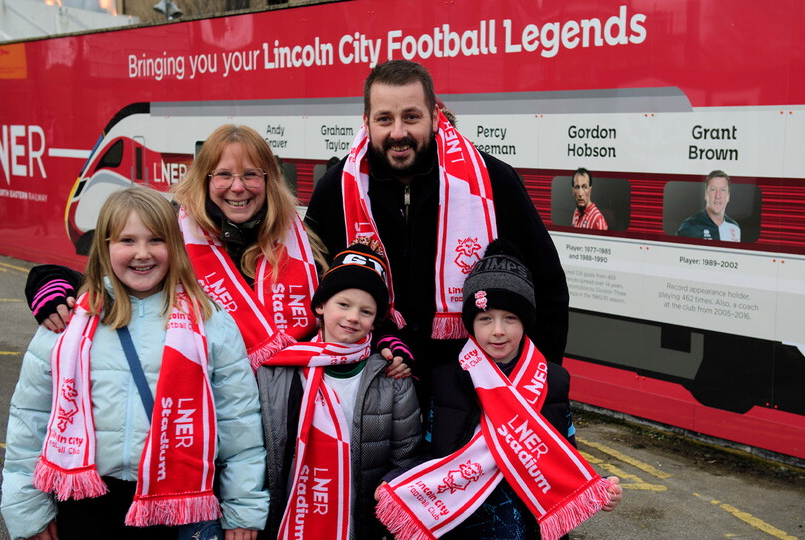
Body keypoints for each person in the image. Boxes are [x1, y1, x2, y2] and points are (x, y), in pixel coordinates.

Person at [26, 124, 410, 377]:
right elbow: (119, 282)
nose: (237, 187)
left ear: (268, 180)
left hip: (294, 414)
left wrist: (383, 338)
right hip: (203, 411)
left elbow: (345, 302)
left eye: (250, 175)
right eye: (224, 174)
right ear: (205, 179)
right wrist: (52, 281)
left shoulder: (306, 242)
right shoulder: (173, 237)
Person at [303, 60, 570, 412]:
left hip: (476, 393)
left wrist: (539, 381)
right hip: (370, 392)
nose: (398, 132)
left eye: (411, 117)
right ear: (366, 121)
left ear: (434, 114)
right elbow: (311, 290)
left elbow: (547, 285)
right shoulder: (335, 189)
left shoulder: (493, 182)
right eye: (385, 119)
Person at [1, 187, 268, 540]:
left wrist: (243, 510)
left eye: (156, 240)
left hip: (180, 505)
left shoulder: (211, 322)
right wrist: (27, 511)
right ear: (105, 247)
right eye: (127, 240)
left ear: (175, 246)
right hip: (85, 501)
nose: (142, 254)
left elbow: (239, 423)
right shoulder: (67, 323)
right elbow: (29, 421)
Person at [376, 239, 622, 540]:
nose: (498, 331)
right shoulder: (446, 379)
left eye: (510, 318)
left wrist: (596, 485)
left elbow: (565, 452)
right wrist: (395, 481)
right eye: (485, 319)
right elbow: (429, 452)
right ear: (470, 323)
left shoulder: (553, 379)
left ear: (526, 321)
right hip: (463, 520)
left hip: (531, 522)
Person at [255, 240, 424, 539]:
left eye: (366, 311)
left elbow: (406, 456)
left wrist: (389, 487)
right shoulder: (278, 370)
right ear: (320, 305)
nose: (352, 317)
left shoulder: (392, 378)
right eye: (343, 304)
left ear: (376, 322)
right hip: (289, 518)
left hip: (359, 523)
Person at [676, 170, 741, 241]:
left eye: (723, 190)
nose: (718, 196)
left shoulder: (734, 227)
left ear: (728, 196)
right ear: (706, 195)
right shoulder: (690, 226)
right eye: (713, 189)